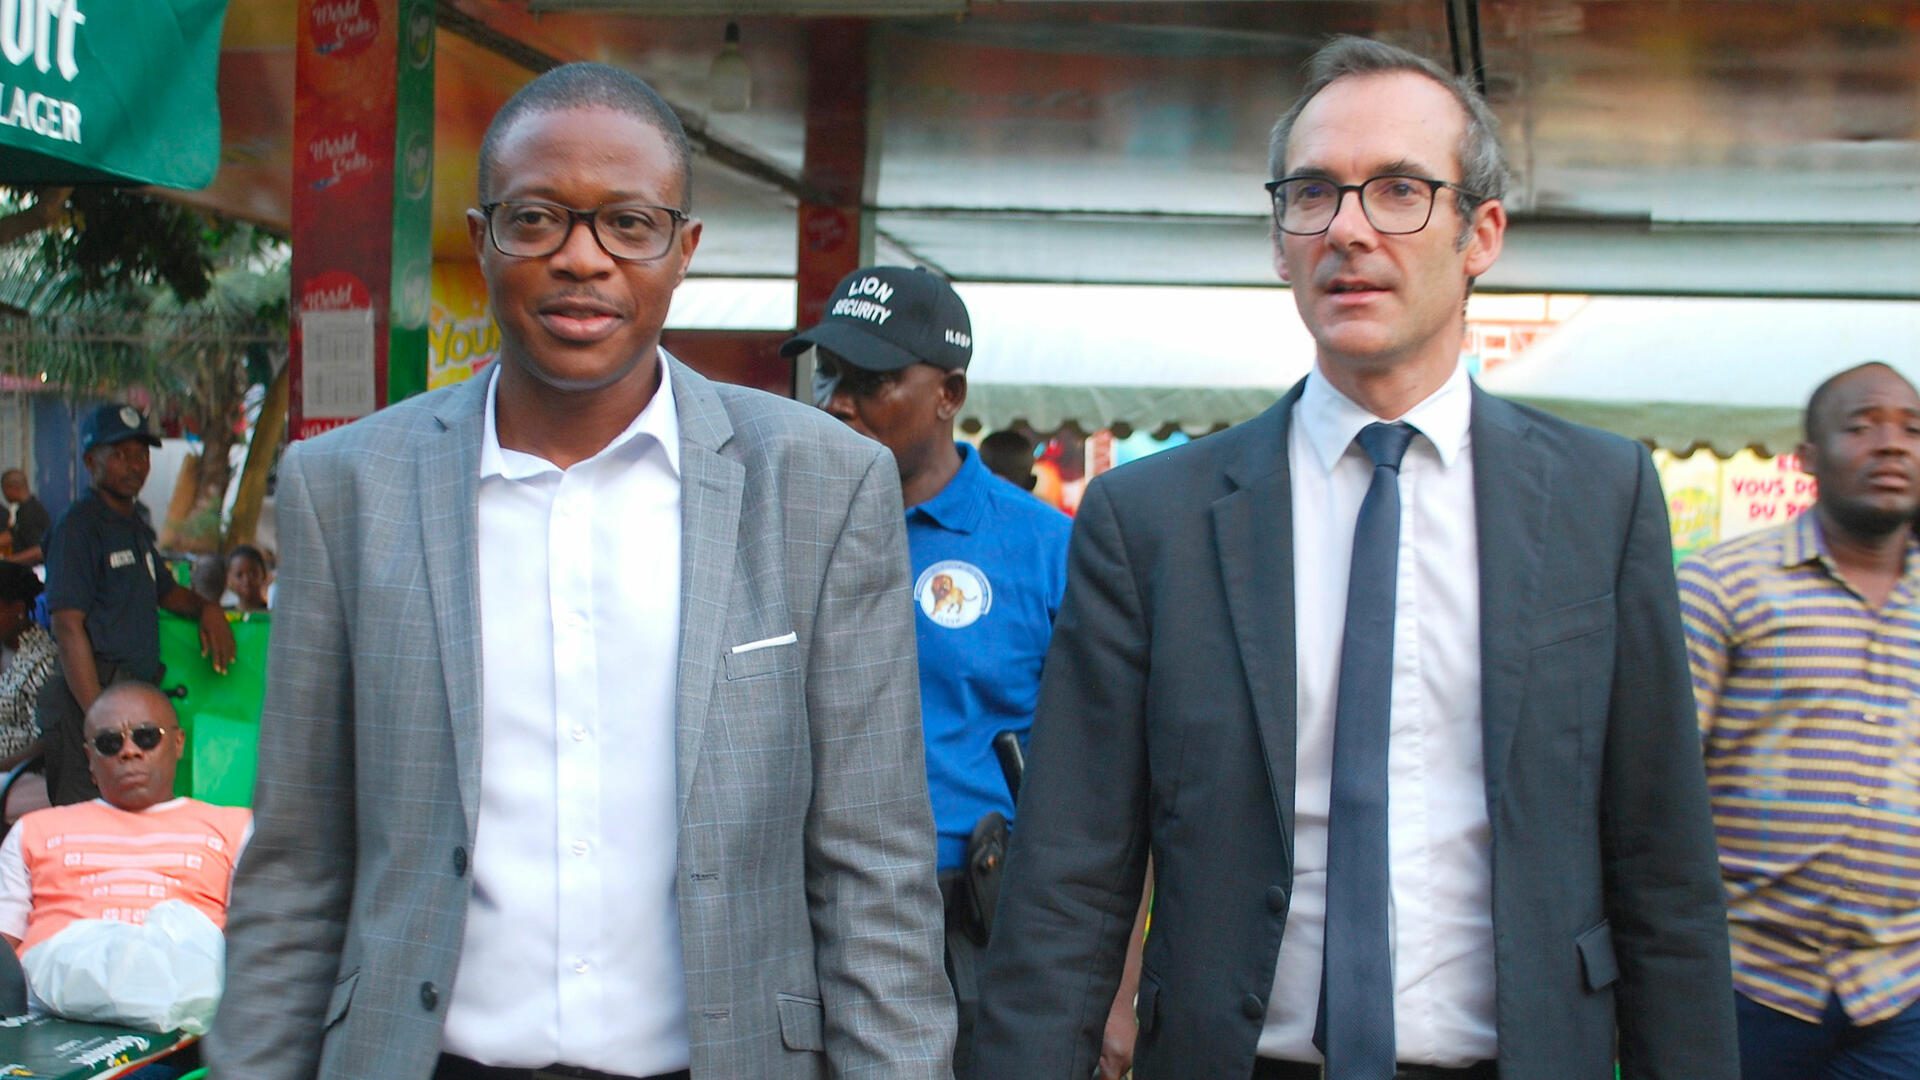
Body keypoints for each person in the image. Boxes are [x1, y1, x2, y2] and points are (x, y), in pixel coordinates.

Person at [973, 35, 1738, 1080]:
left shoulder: (1599, 501)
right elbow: (1069, 875)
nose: (1348, 228)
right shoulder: (1151, 521)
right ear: (1278, 238)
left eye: (1399, 191)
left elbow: (1663, 871)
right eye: (1313, 194)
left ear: (1484, 233)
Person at [206, 63, 952, 1080]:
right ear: (482, 239)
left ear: (683, 249)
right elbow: (296, 863)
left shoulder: (820, 486)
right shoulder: (347, 488)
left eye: (628, 225)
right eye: (539, 219)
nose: (582, 260)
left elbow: (875, 871)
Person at [787, 267, 1113, 1077]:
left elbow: (1111, 778)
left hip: (972, 934)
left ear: (948, 392)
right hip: (795, 924)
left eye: (871, 381)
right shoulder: (778, 527)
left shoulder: (1044, 551)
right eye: (827, 374)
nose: (837, 401)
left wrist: (1115, 985)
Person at [1679, 362, 1920, 1080]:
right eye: (1862, 426)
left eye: (1911, 430)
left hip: (1899, 993)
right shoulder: (1721, 587)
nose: (1891, 445)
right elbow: (1657, 787)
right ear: (1807, 460)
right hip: (1742, 983)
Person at [37, 404, 235, 807]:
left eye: (141, 454)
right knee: (89, 827)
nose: (135, 465)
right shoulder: (79, 527)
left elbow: (165, 591)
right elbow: (68, 626)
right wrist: (100, 718)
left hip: (128, 700)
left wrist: (207, 608)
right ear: (92, 461)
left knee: (132, 823)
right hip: (89, 700)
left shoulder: (135, 526)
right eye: (121, 454)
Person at [0, 682, 250, 955]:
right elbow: (5, 940)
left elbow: (261, 935)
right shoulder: (33, 832)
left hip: (196, 993)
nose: (129, 751)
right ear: (90, 759)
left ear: (178, 743)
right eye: (109, 743)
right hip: (52, 995)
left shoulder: (234, 829)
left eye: (146, 737)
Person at [0, 562, 55, 822]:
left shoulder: (42, 661)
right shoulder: (5, 649)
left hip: (25, 776)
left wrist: (4, 766)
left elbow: (46, 741)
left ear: (18, 610)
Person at [0, 470, 50, 567]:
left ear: (12, 488)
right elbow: (14, 534)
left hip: (35, 571)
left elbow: (39, 550)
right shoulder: (23, 510)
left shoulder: (30, 513)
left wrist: (7, 562)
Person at [223, 545, 271, 613]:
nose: (246, 580)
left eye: (252, 573)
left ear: (264, 575)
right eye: (239, 575)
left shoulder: (274, 616)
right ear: (229, 579)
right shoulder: (221, 617)